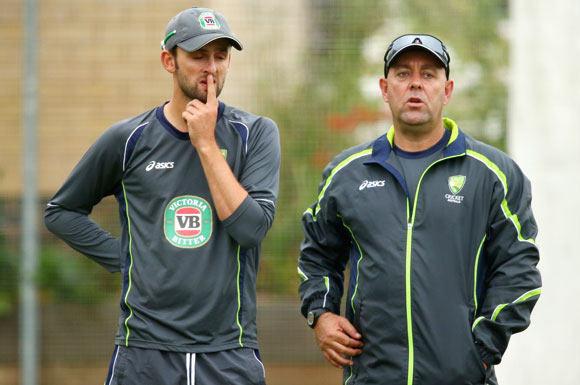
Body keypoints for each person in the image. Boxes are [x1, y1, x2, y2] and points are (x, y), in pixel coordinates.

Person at [45, 7, 279, 385]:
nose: (212, 68)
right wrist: (127, 261)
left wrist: (205, 143)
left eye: (221, 56)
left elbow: (252, 229)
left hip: (228, 350)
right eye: (199, 55)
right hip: (143, 351)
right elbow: (62, 211)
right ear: (168, 60)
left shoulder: (256, 135)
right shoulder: (128, 139)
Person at [298, 34, 541, 385]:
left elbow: (519, 268)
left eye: (428, 74)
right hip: (372, 376)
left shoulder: (493, 174)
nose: (415, 83)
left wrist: (481, 348)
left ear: (447, 90)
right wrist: (321, 315)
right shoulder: (346, 174)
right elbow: (317, 257)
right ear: (385, 88)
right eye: (402, 74)